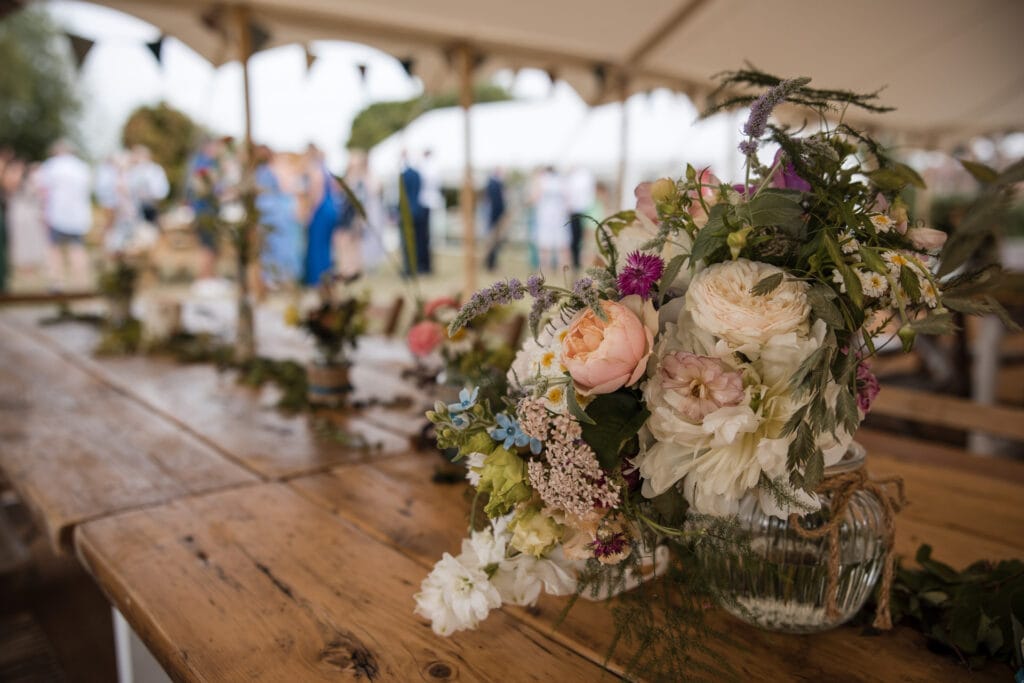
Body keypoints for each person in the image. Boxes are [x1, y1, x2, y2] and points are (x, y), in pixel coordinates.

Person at [37, 140, 92, 291]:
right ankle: (80, 283)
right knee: (77, 248)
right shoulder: (82, 167)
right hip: (78, 216)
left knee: (54, 249)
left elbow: (42, 191)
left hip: (57, 215)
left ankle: (57, 282)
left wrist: (43, 211)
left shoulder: (50, 166)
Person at [254, 145, 302, 287]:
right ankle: (271, 278)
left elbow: (286, 188)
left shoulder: (274, 170)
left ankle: (282, 277)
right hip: (266, 211)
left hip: (276, 212)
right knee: (269, 246)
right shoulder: (260, 170)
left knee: (281, 245)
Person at [302, 144, 344, 286]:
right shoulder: (326, 171)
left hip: (321, 211)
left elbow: (316, 194)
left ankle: (318, 279)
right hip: (330, 208)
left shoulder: (315, 170)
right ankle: (327, 276)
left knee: (317, 245)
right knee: (325, 246)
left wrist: (309, 212)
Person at [185, 137, 224, 280]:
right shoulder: (203, 165)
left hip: (208, 210)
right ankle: (204, 277)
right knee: (207, 245)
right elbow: (205, 189)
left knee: (212, 245)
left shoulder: (206, 163)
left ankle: (210, 276)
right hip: (205, 210)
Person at [532, 166, 570, 271]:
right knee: (561, 243)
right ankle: (561, 267)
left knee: (545, 244)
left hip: (546, 216)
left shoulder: (541, 180)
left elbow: (534, 197)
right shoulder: (561, 181)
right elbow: (568, 200)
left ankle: (545, 267)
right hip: (559, 216)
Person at [398, 152, 429, 276]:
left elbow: (402, 196)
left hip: (407, 212)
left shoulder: (403, 175)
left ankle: (409, 268)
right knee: (419, 241)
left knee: (407, 242)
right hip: (418, 210)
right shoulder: (418, 174)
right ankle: (419, 266)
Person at [129, 145, 169, 225]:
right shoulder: (132, 170)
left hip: (151, 206)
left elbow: (162, 190)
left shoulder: (155, 170)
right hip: (134, 208)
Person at [416, 149, 441, 274]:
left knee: (425, 237)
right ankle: (424, 265)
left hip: (426, 204)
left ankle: (425, 265)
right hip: (426, 204)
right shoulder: (429, 167)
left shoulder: (429, 167)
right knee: (424, 237)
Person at [566, 166, 595, 270]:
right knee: (575, 239)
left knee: (583, 239)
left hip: (582, 211)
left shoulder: (583, 179)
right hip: (575, 212)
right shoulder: (574, 180)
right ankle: (576, 261)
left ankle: (581, 261)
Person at [483, 167, 507, 272]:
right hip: (495, 216)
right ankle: (490, 264)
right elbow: (496, 202)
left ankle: (491, 263)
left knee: (495, 241)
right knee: (493, 240)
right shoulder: (493, 184)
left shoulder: (493, 183)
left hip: (495, 215)